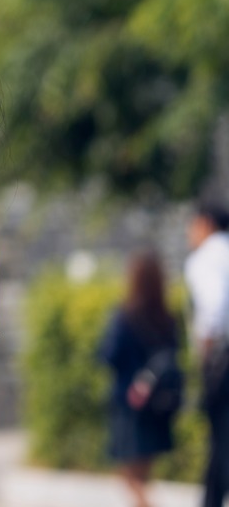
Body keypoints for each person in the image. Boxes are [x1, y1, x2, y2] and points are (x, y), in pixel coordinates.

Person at [98, 250, 182, 507]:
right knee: (143, 474)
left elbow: (108, 354)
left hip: (130, 403)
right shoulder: (167, 318)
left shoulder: (125, 316)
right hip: (158, 404)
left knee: (128, 475)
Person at [185, 193, 229, 507]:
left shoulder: (206, 259)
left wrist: (204, 354)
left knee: (221, 437)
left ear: (205, 223)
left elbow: (212, 311)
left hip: (222, 358)